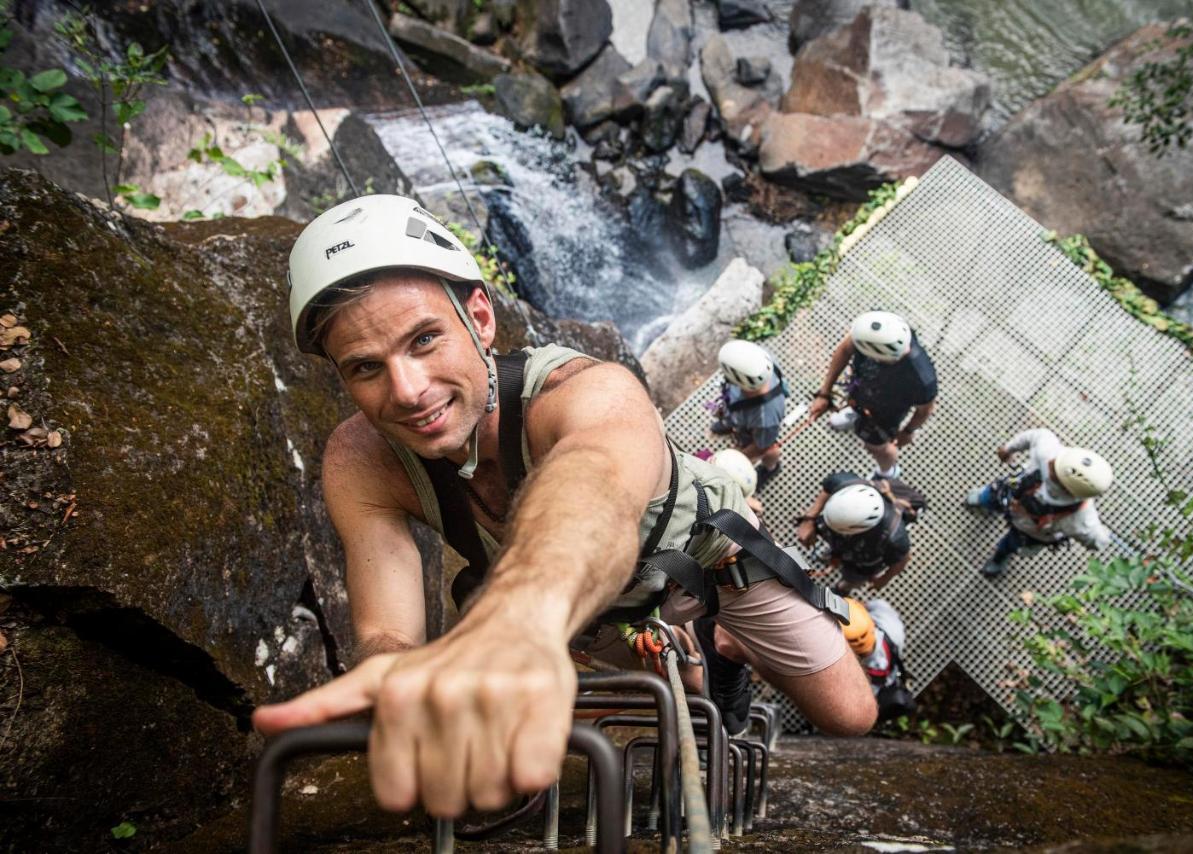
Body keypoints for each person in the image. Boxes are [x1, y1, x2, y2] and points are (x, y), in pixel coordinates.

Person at [252, 195, 876, 819]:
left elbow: (594, 483)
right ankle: (684, 658)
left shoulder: (588, 392)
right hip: (587, 611)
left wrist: (522, 613)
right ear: (341, 377)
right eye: (366, 368)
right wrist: (397, 680)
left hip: (706, 561)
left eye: (424, 339)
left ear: (480, 318)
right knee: (667, 699)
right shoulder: (361, 461)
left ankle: (719, 648)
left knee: (850, 715)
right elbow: (387, 630)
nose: (408, 391)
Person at [965, 428, 1113, 577]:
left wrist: (1100, 533)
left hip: (1031, 531)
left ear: (1066, 489)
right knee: (990, 496)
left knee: (1010, 545)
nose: (1050, 464)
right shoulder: (1050, 453)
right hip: (1012, 493)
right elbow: (1034, 435)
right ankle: (982, 500)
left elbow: (1097, 540)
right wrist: (1009, 448)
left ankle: (999, 559)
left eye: (1055, 471)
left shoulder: (1080, 517)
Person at [807, 311, 937, 478]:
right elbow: (845, 349)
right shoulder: (875, 330)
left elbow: (924, 410)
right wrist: (824, 394)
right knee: (855, 402)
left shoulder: (921, 380)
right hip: (861, 390)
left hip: (885, 413)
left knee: (875, 446)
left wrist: (908, 431)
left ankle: (887, 471)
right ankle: (855, 413)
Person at [795, 473, 925, 594]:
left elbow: (903, 559)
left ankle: (843, 588)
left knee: (856, 576)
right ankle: (835, 554)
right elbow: (828, 487)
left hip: (867, 552)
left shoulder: (895, 539)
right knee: (836, 545)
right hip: (848, 533)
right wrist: (809, 519)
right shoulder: (846, 483)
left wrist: (884, 579)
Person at [711, 339, 787, 488]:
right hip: (737, 412)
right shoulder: (761, 361)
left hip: (753, 430)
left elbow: (761, 446)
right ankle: (728, 423)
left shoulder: (765, 418)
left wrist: (734, 460)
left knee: (771, 450)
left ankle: (771, 468)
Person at [842, 598, 915, 722]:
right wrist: (860, 609)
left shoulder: (849, 676)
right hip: (888, 679)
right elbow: (880, 604)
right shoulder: (892, 629)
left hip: (872, 695)